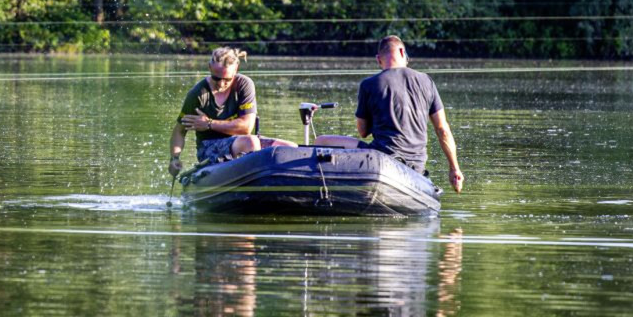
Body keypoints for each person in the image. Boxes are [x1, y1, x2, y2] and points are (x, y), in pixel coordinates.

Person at [314, 35, 464, 193]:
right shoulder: (427, 81)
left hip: (382, 161)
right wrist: (455, 169)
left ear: (378, 59)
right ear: (402, 52)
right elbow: (443, 130)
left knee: (321, 141)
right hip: (417, 166)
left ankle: (328, 189)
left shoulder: (369, 84)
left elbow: (363, 131)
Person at [169, 47, 296, 177]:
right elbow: (180, 131)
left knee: (290, 148)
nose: (221, 84)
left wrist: (209, 124)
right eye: (216, 78)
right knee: (250, 142)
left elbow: (246, 127)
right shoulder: (197, 94)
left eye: (227, 79)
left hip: (243, 141)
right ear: (210, 67)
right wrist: (175, 158)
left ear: (236, 69)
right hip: (209, 147)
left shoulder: (244, 85)